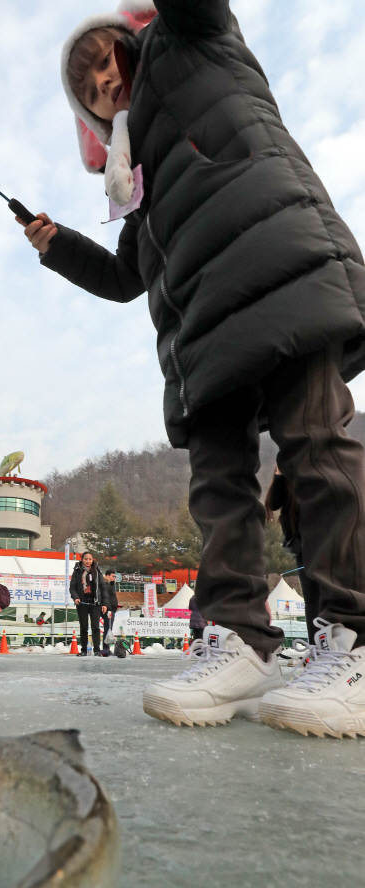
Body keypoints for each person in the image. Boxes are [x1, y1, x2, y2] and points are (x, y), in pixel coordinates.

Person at [23, 1, 365, 736]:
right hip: (196, 329)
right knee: (217, 488)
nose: (101, 76)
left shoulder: (195, 46)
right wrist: (56, 244)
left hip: (279, 270)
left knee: (317, 449)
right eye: (84, 82)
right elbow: (125, 278)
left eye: (106, 56)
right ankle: (240, 642)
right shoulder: (131, 172)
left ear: (135, 41)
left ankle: (355, 635)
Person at [266, 467, 320, 646]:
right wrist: (279, 473)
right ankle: (316, 648)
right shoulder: (288, 472)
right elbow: (273, 503)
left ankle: (341, 649)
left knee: (331, 596)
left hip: (327, 540)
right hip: (303, 545)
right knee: (312, 599)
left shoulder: (321, 465)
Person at [70, 551, 107, 655]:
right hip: (82, 603)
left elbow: (103, 588)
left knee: (96, 627)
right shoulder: (77, 571)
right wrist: (75, 598)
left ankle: (97, 650)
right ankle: (84, 650)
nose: (88, 561)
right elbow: (72, 587)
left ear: (92, 560)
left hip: (95, 603)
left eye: (90, 559)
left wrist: (104, 603)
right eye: (86, 559)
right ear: (82, 559)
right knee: (84, 627)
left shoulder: (97, 571)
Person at [101, 569, 119, 655]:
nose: (114, 578)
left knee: (109, 629)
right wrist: (108, 609)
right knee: (108, 629)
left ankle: (106, 648)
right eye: (113, 576)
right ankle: (105, 648)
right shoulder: (106, 584)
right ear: (107, 576)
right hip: (108, 609)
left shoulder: (111, 585)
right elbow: (106, 597)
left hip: (111, 609)